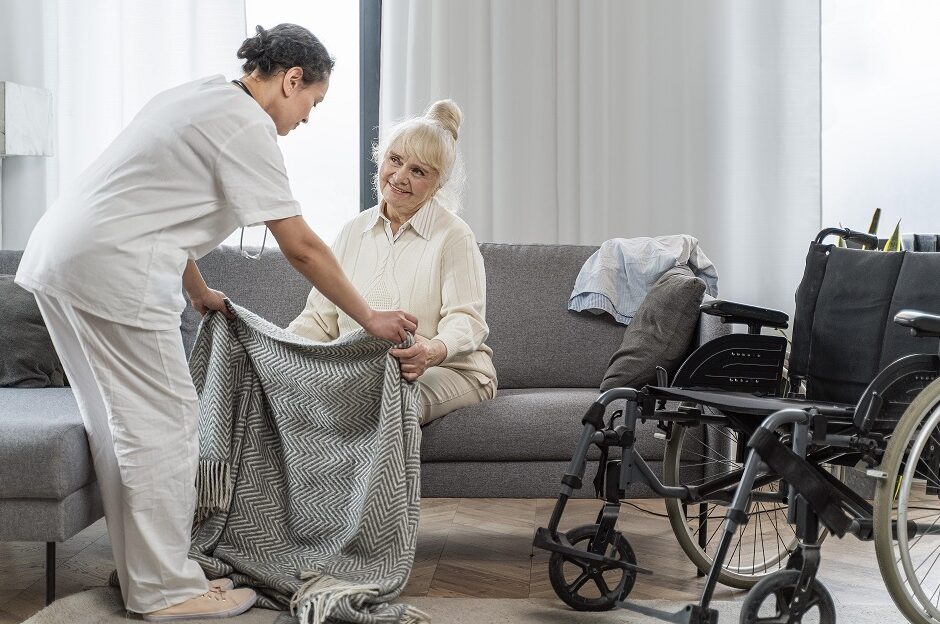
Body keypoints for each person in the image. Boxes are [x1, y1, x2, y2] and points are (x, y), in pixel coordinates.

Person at [14, 24, 417, 621]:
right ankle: (166, 591)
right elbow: (301, 245)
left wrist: (198, 290)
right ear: (291, 80)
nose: (309, 117)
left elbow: (157, 204)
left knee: (119, 427)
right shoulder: (246, 127)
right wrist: (369, 316)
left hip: (63, 262)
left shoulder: (199, 95)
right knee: (169, 425)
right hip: (113, 275)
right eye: (314, 102)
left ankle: (147, 579)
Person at [288, 100, 497, 424]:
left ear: (437, 184)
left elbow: (467, 322)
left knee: (384, 400)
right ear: (381, 158)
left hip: (452, 370)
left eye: (418, 171)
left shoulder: (455, 236)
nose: (399, 177)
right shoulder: (352, 231)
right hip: (366, 370)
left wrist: (432, 351)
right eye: (395, 160)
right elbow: (319, 320)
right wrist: (281, 353)